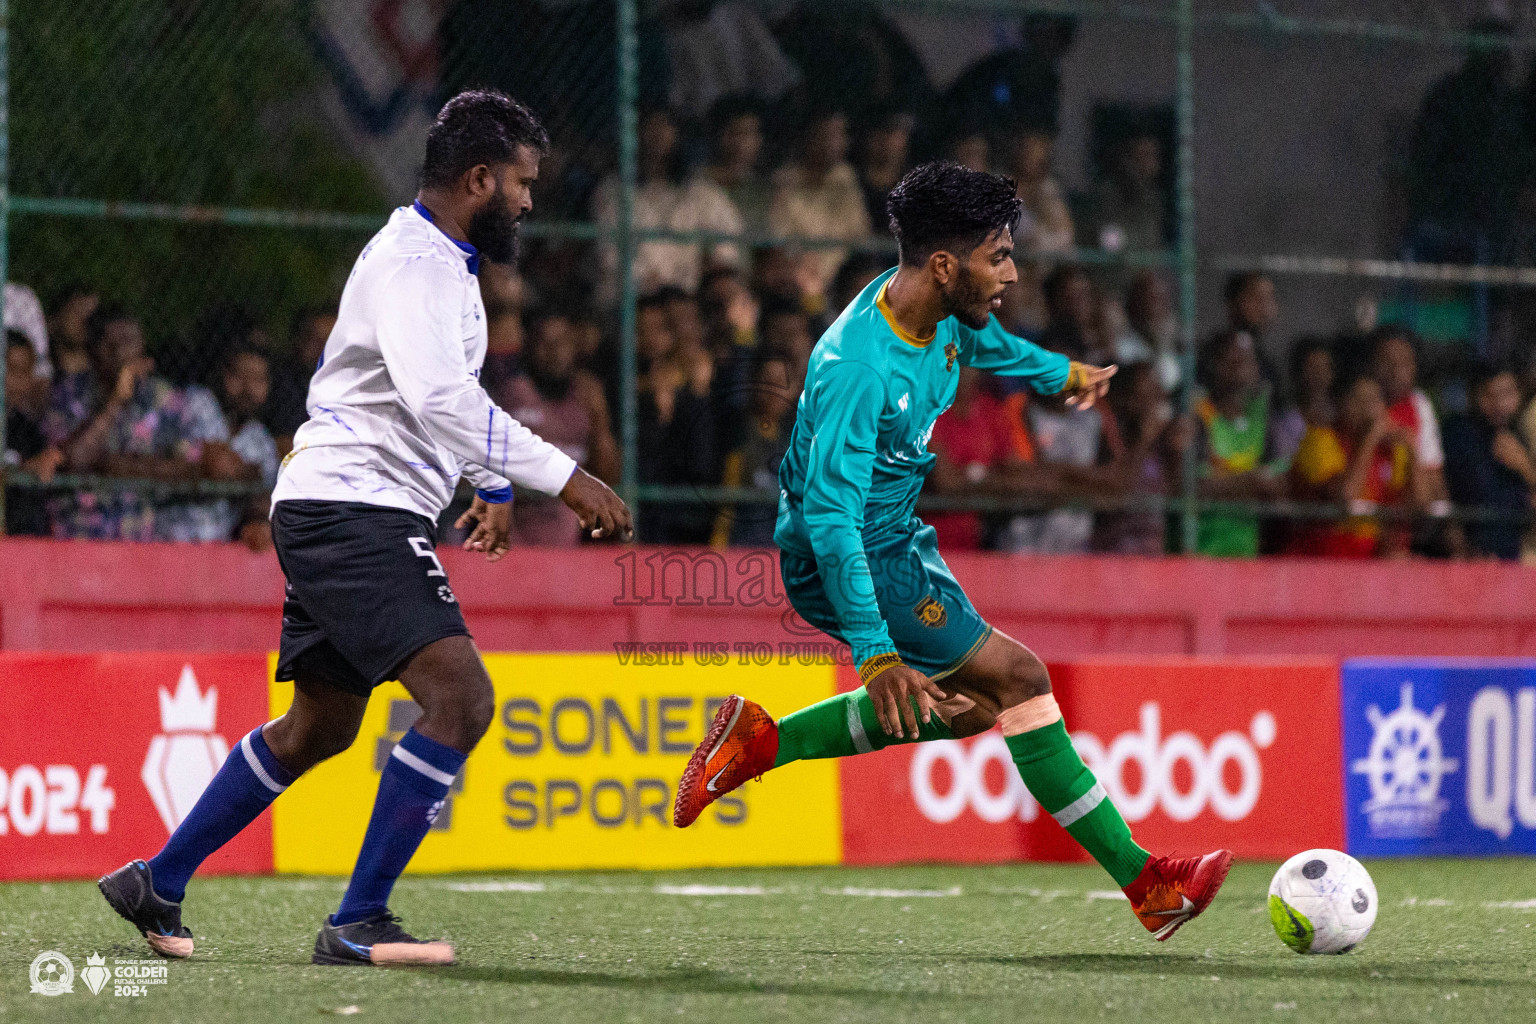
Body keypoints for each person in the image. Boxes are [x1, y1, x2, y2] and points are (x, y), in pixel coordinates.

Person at [97, 90, 631, 968]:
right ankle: (360, 919)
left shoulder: (438, 262)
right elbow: (441, 398)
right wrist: (565, 479)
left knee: (321, 726)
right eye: (523, 184)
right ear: (479, 179)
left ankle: (159, 878)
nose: (531, 202)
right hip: (356, 512)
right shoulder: (418, 265)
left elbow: (433, 398)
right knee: (461, 699)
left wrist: (493, 477)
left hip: (337, 504)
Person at [672, 161, 1231, 941]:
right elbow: (831, 520)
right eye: (998, 255)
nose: (1011, 270)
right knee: (1021, 679)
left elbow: (986, 339)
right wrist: (873, 652)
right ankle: (1148, 884)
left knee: (973, 710)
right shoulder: (856, 369)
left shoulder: (931, 307)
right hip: (848, 558)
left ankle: (761, 742)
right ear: (944, 265)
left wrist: (1057, 372)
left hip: (897, 538)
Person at [41, 306, 228, 541]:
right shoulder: (68, 394)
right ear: (91, 351)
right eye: (110, 344)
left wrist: (122, 467)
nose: (120, 352)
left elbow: (191, 466)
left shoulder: (165, 398)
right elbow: (74, 460)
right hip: (82, 532)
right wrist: (116, 400)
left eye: (129, 341)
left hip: (145, 537)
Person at [491, 307, 620, 547]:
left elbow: (609, 478)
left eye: (562, 343)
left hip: (569, 551)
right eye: (544, 343)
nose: (554, 353)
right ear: (529, 346)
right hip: (510, 545)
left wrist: (599, 417)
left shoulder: (586, 398)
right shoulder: (512, 395)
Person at [592, 106, 744, 305]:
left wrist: (714, 268)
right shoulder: (612, 189)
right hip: (630, 293)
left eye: (665, 126)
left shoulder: (698, 190)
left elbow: (728, 237)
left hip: (687, 294)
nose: (658, 134)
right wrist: (646, 279)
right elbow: (609, 253)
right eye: (651, 126)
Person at [152, 343, 280, 549]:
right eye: (239, 376)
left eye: (257, 380)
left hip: (217, 553)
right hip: (166, 542)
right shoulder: (198, 401)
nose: (247, 388)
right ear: (223, 375)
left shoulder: (261, 438)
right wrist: (246, 473)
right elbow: (215, 464)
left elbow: (262, 499)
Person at [1288, 372, 1418, 558]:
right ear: (1341, 404)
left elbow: (1419, 506)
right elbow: (1346, 498)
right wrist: (1371, 438)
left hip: (1369, 566)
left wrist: (1413, 451)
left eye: (1375, 400)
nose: (1369, 409)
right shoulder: (1320, 440)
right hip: (1319, 562)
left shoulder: (1390, 451)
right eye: (1360, 400)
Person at [1192, 329, 1287, 558]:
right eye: (1231, 360)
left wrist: (1231, 485)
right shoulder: (1199, 414)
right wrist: (1250, 482)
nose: (1240, 368)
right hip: (1201, 552)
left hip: (1247, 553)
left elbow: (1280, 484)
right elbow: (1194, 488)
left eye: (1247, 360)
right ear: (1213, 366)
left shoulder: (1263, 417)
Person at [767, 108, 872, 310]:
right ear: (808, 138)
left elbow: (859, 234)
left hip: (845, 281)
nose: (834, 143)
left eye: (840, 135)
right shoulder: (784, 181)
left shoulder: (846, 177)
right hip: (798, 280)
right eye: (826, 135)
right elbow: (779, 241)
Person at [1443, 363, 1535, 560]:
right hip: (1469, 558)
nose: (1499, 404)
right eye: (1489, 395)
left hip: (1512, 558)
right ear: (1474, 396)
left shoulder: (1519, 438)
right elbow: (1451, 497)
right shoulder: (1458, 434)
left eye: (1506, 394)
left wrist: (1525, 467)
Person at [4, 331, 62, 535]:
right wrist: (24, 469)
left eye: (27, 373)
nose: (22, 383)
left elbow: (45, 462)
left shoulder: (26, 428)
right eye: (14, 371)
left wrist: (50, 460)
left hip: (22, 540)